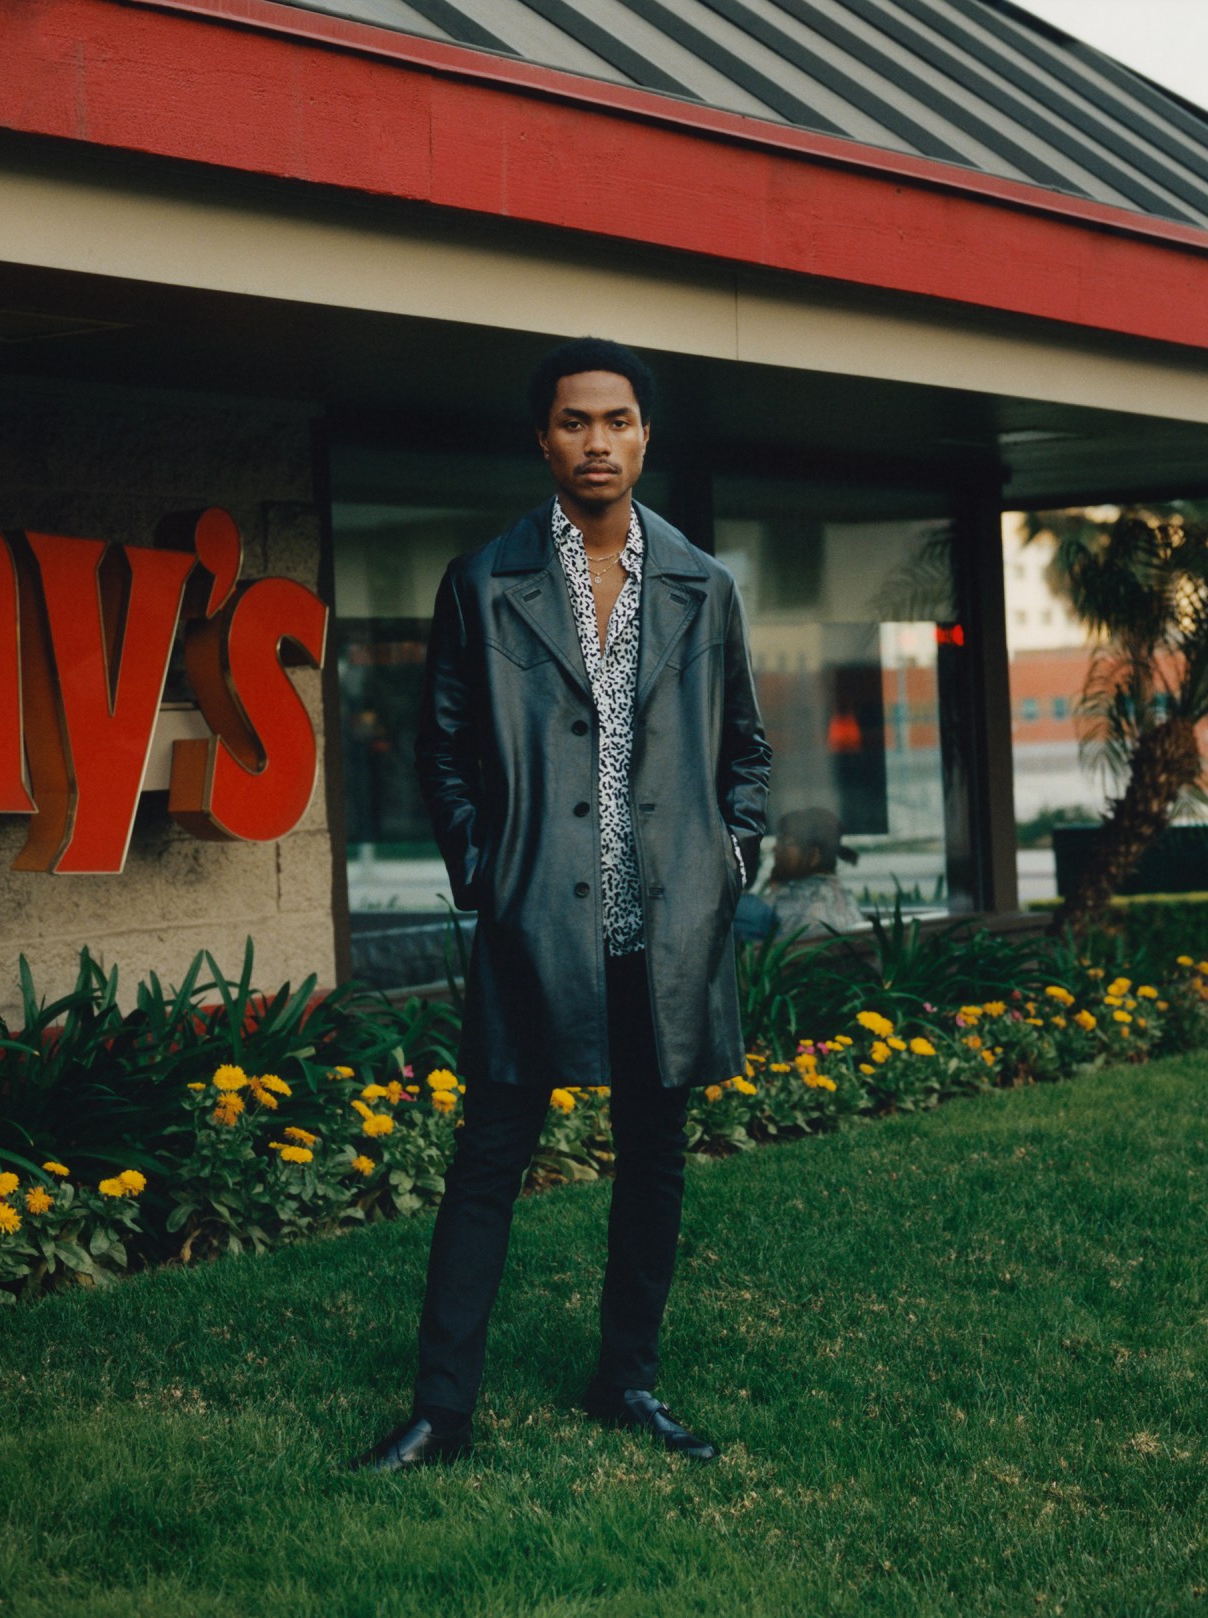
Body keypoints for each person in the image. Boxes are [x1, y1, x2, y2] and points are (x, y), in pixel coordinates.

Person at [353, 338, 770, 1470]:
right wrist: (487, 872)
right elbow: (440, 751)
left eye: (619, 420)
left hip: (666, 926)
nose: (599, 441)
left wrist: (730, 856)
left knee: (654, 1158)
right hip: (534, 915)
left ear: (646, 435)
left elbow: (744, 749)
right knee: (489, 1155)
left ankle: (625, 1381)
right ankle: (442, 1408)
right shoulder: (483, 581)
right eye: (576, 422)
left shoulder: (702, 585)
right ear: (542, 439)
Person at [767, 807, 866, 937]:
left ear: (814, 855)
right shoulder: (846, 898)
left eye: (786, 842)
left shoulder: (787, 901)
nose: (775, 848)